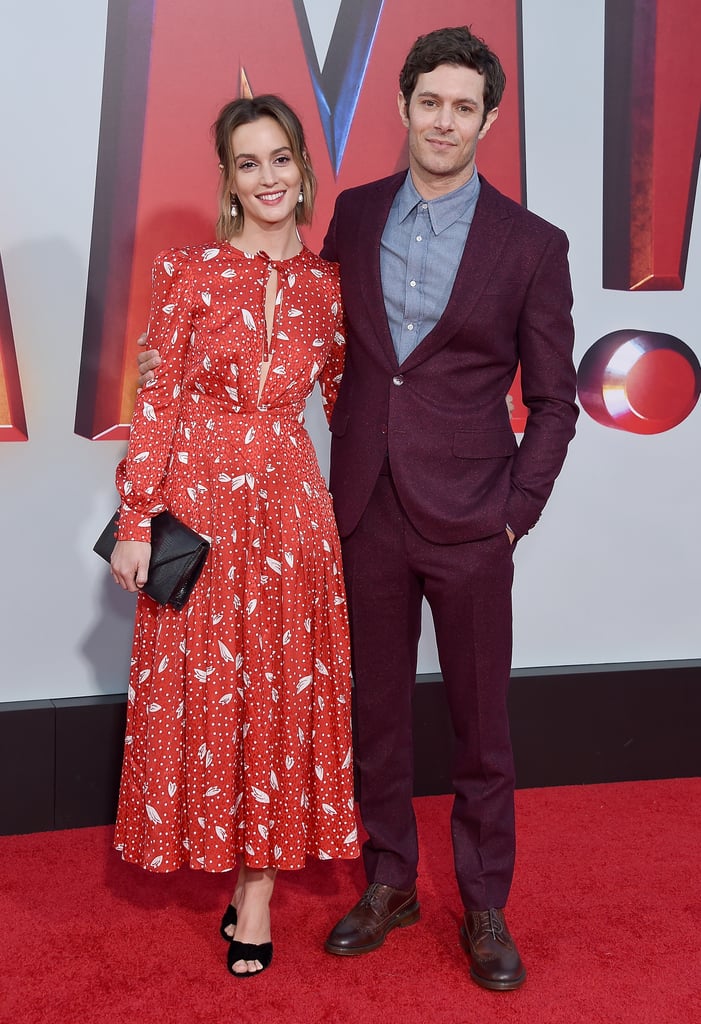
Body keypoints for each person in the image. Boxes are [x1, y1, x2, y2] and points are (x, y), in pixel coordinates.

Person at [138, 26, 578, 992]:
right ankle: (388, 883)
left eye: (465, 107)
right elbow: (331, 364)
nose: (445, 120)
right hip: (360, 515)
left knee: (480, 725)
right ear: (403, 107)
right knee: (371, 716)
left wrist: (516, 512)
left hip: (472, 520)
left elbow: (553, 402)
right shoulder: (352, 219)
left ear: (488, 120)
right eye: (431, 102)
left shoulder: (532, 246)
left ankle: (485, 902)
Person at [110, 94, 358, 979]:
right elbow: (161, 399)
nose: (268, 179)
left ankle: (255, 894)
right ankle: (219, 854)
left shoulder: (330, 285)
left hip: (292, 517)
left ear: (302, 167)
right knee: (210, 696)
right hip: (199, 512)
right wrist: (137, 520)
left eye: (280, 159)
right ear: (228, 177)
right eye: (248, 163)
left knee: (281, 697)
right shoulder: (188, 271)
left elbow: (346, 405)